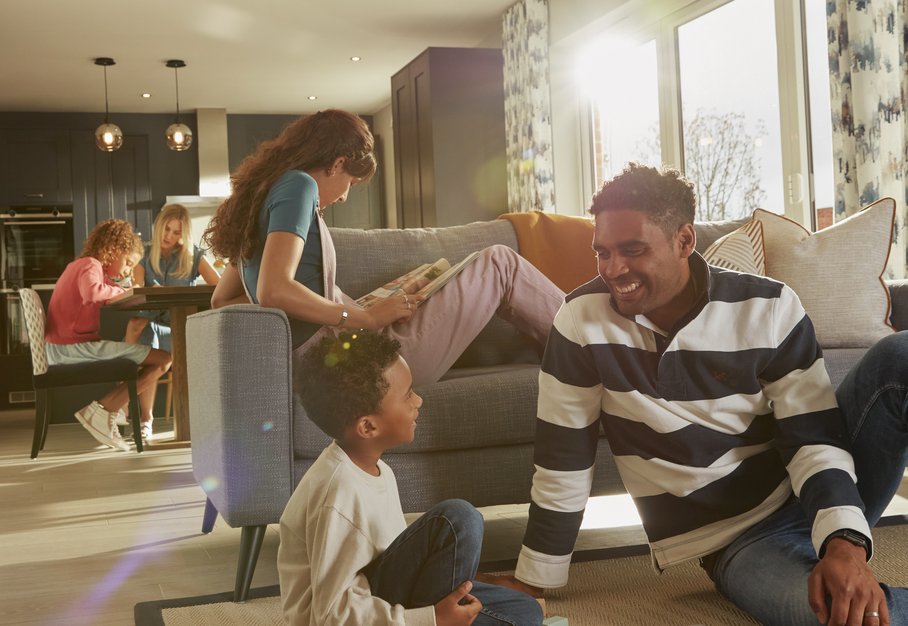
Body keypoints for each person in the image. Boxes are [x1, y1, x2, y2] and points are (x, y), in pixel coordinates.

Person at [482, 163, 908, 626]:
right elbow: (564, 458)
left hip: (819, 487)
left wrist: (844, 542)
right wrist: (537, 578)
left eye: (632, 250)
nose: (613, 270)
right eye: (602, 252)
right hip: (737, 541)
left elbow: (813, 436)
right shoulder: (579, 322)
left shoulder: (769, 307)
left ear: (685, 241)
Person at [278, 328, 544, 626]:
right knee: (458, 519)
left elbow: (395, 558)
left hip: (375, 618)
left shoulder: (378, 469)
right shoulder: (336, 494)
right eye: (407, 396)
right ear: (368, 426)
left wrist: (444, 608)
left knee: (524, 615)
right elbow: (335, 613)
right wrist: (431, 623)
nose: (418, 400)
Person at [205, 109, 563, 382]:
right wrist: (363, 317)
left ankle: (579, 353)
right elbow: (273, 291)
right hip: (354, 362)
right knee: (500, 262)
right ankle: (601, 345)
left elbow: (224, 299)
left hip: (339, 352)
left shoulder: (258, 202)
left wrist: (363, 307)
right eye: (351, 181)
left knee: (455, 275)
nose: (345, 196)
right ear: (337, 164)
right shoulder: (300, 186)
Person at [45, 218, 172, 451]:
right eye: (128, 262)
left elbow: (99, 290)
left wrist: (123, 288)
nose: (127, 270)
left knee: (159, 360)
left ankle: (105, 412)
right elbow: (93, 294)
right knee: (164, 359)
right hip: (73, 348)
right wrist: (127, 290)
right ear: (114, 250)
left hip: (65, 346)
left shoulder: (84, 266)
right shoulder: (89, 264)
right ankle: (104, 411)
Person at [124, 203, 220, 353]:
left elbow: (220, 288)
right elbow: (136, 288)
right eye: (166, 229)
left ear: (183, 234)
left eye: (176, 232)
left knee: (147, 338)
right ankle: (128, 373)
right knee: (137, 325)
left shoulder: (193, 255)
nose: (168, 236)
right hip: (150, 321)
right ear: (159, 225)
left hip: (181, 322)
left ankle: (134, 371)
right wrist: (150, 291)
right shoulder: (144, 253)